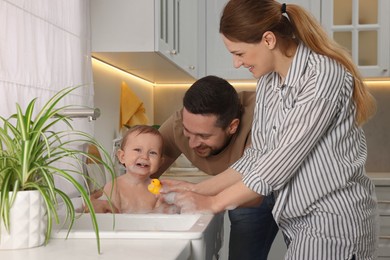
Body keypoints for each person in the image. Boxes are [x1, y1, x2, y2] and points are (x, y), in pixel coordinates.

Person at [161, 1, 378, 259]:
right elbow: (258, 155)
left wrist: (213, 203)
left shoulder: (323, 76)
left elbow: (280, 161)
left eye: (239, 53)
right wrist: (199, 190)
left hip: (332, 222)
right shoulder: (269, 82)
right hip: (299, 222)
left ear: (268, 40)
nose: (236, 63)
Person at [153, 75, 279, 260]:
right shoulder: (178, 124)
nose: (193, 143)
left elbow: (256, 187)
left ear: (232, 126)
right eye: (188, 132)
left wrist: (195, 191)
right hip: (242, 193)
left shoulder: (262, 117)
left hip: (287, 189)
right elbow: (143, 170)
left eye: (204, 136)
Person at [98, 125, 176, 214]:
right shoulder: (114, 187)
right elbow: (112, 220)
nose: (145, 157)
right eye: (138, 150)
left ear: (160, 162)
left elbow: (161, 218)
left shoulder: (158, 189)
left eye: (152, 153)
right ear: (122, 156)